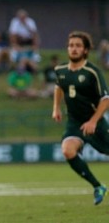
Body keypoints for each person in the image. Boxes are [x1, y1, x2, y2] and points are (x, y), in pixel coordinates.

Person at [52, 31, 109, 206]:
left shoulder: (92, 71)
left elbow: (105, 99)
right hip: (75, 123)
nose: (74, 49)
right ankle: (98, 186)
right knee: (68, 150)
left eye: (78, 46)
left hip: (96, 122)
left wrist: (93, 121)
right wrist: (56, 108)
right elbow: (58, 86)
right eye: (71, 45)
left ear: (85, 50)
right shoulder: (60, 70)